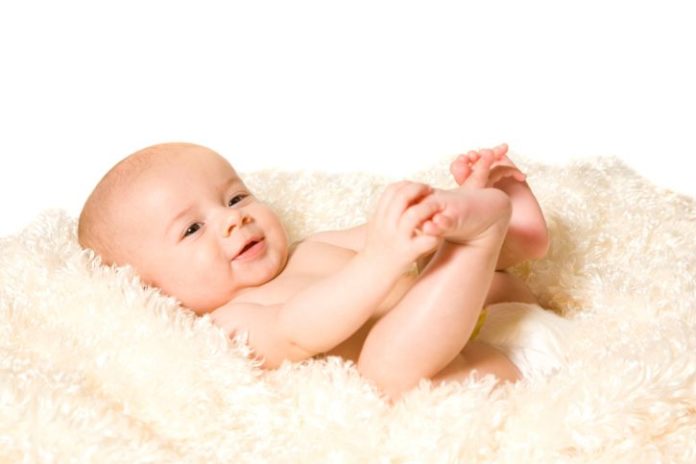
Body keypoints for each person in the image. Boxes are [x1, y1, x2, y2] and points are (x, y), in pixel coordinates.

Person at [78, 142, 550, 399]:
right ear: (146, 287)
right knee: (385, 374)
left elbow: (401, 236)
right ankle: (485, 231)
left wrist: (442, 205)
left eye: (236, 197)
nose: (232, 218)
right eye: (193, 228)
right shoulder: (231, 322)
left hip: (500, 314)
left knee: (440, 251)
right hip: (483, 368)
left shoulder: (313, 248)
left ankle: (509, 230)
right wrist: (382, 260)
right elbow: (300, 329)